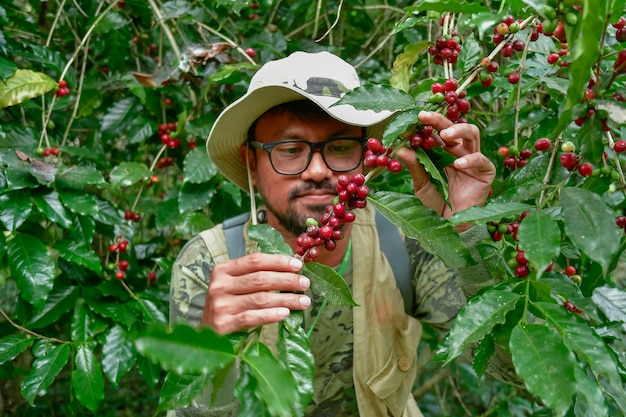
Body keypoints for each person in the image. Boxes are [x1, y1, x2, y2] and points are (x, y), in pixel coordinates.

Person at [169, 51, 497, 417]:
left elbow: (504, 365)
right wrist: (210, 352)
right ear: (251, 161)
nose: (318, 170)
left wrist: (467, 229)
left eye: (340, 147)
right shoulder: (210, 264)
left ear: (365, 155)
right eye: (290, 150)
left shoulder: (405, 243)